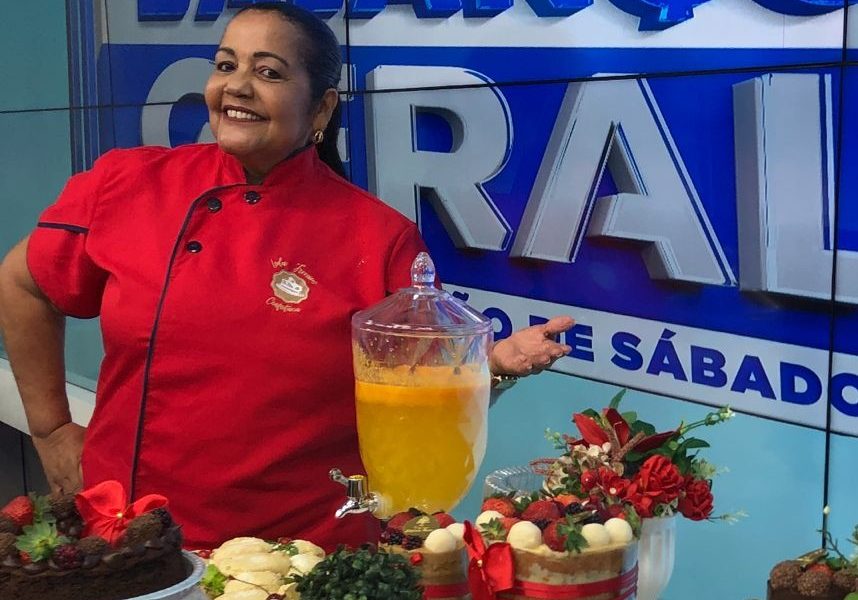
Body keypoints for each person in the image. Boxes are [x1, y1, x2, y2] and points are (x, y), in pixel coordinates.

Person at [0, 2, 573, 550]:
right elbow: (24, 285)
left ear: (320, 109)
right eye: (226, 65)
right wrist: (51, 430)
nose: (237, 86)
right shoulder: (129, 183)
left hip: (299, 557)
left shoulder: (378, 238)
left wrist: (491, 366)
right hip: (128, 544)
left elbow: (420, 404)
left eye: (268, 72)